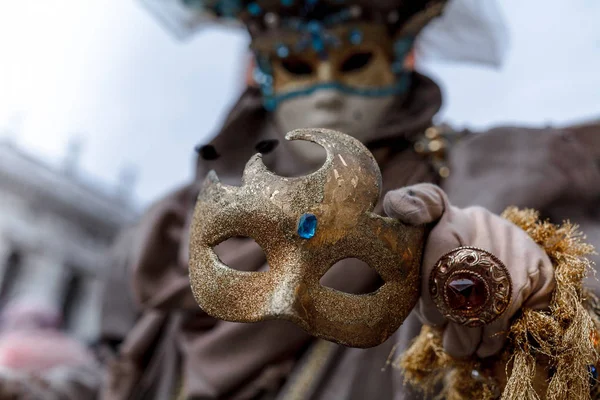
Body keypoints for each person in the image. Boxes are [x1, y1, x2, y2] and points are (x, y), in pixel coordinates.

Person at [99, 0, 600, 398]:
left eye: (354, 58)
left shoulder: (483, 173)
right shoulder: (171, 225)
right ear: (264, 72)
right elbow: (111, 369)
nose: (327, 92)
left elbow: (584, 299)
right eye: (296, 62)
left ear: (400, 58)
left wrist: (540, 286)